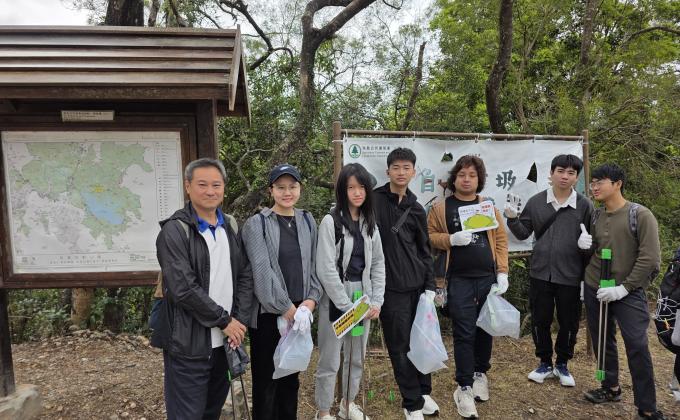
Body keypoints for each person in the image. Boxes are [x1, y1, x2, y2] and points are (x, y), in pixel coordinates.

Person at [155, 158, 253, 420]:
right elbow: (183, 288)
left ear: (224, 188)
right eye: (202, 184)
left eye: (216, 185)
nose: (210, 191)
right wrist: (225, 321)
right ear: (188, 187)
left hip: (225, 343)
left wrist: (239, 321)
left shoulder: (230, 225)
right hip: (188, 344)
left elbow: (244, 274)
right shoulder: (175, 231)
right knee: (187, 414)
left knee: (212, 411)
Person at [578, 164, 665, 420]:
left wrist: (624, 288)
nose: (594, 187)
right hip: (596, 286)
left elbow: (650, 258)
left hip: (629, 291)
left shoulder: (640, 215)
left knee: (637, 344)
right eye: (592, 183)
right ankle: (610, 387)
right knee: (602, 339)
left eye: (600, 182)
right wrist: (584, 246)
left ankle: (647, 407)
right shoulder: (596, 215)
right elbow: (595, 250)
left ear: (617, 184)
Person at [427, 155, 508, 419]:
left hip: (487, 278)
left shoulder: (487, 206)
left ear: (479, 179)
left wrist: (502, 273)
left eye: (472, 175)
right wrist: (451, 239)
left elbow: (500, 240)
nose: (466, 179)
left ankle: (480, 373)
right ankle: (464, 386)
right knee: (463, 331)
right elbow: (429, 237)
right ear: (454, 178)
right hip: (457, 279)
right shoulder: (441, 208)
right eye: (462, 175)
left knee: (485, 328)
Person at [241, 163, 322, 420]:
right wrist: (286, 307)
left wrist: (311, 300)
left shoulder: (307, 221)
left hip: (300, 312)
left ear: (300, 188)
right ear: (271, 190)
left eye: (292, 187)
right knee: (266, 381)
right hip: (268, 313)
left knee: (290, 379)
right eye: (280, 187)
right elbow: (261, 271)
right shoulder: (257, 224)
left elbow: (315, 265)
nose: (287, 192)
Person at [504, 154, 593, 387]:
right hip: (540, 272)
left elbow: (592, 241)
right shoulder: (536, 202)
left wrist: (587, 246)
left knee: (569, 322)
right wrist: (512, 219)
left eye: (571, 173)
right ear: (551, 173)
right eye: (560, 171)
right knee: (540, 320)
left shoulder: (584, 205)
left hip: (571, 274)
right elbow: (523, 233)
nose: (565, 176)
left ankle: (562, 364)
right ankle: (544, 362)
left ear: (576, 177)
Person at [314, 163, 386, 420]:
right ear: (342, 191)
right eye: (351, 187)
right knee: (330, 358)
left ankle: (348, 403)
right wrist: (347, 307)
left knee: (356, 356)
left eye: (361, 187)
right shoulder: (330, 221)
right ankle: (323, 411)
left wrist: (376, 300)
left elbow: (378, 263)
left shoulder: (370, 223)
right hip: (337, 298)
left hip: (361, 297)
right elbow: (325, 268)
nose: (357, 193)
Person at [373, 147, 440, 420]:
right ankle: (411, 402)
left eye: (406, 168)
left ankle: (423, 392)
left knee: (421, 340)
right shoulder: (374, 201)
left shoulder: (416, 208)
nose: (401, 172)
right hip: (390, 289)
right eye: (396, 167)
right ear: (388, 171)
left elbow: (424, 251)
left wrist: (430, 287)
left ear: (414, 172)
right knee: (399, 347)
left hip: (417, 287)